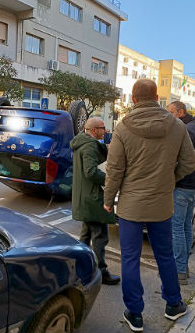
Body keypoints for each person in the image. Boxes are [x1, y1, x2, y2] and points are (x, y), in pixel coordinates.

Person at [103, 79, 195, 332]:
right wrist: (168, 179)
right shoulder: (178, 126)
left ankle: (134, 314)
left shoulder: (122, 128)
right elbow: (189, 164)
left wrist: (108, 199)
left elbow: (114, 170)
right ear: (157, 98)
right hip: (161, 204)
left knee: (130, 259)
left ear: (133, 100)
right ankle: (173, 305)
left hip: (130, 207)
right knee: (165, 256)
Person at [70, 117, 120, 285]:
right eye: (102, 128)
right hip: (92, 198)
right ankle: (101, 271)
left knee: (85, 236)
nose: (105, 130)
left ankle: (79, 268)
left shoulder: (82, 143)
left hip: (84, 197)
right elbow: (91, 172)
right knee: (100, 235)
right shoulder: (90, 146)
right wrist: (111, 180)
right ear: (93, 130)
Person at [167, 101, 195, 285]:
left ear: (181, 112)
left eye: (171, 112)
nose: (169, 116)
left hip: (184, 185)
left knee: (177, 227)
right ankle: (184, 265)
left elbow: (177, 158)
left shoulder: (186, 130)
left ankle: (179, 270)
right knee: (185, 226)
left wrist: (173, 177)